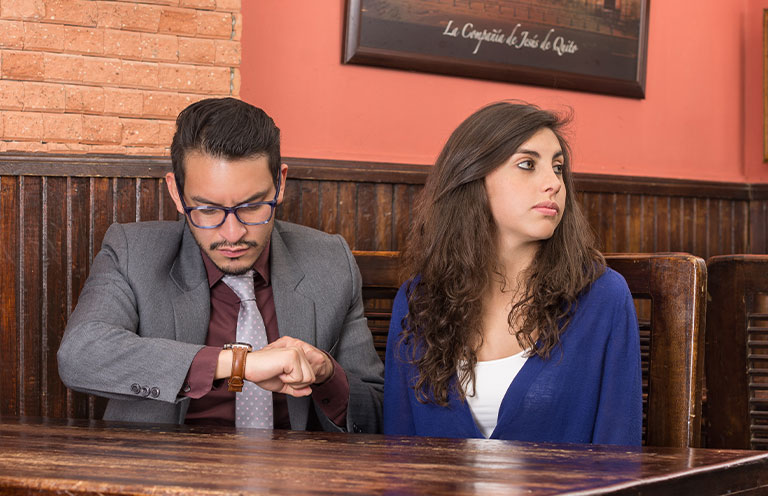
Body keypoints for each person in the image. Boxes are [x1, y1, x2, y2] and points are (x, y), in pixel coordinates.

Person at [58, 98, 383, 433]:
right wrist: (239, 364)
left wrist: (327, 373)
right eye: (208, 210)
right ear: (177, 192)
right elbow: (81, 354)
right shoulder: (132, 252)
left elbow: (375, 411)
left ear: (281, 183)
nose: (233, 234)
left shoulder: (330, 261)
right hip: (161, 478)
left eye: (254, 206)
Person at [383, 102, 642, 445]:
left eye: (558, 168)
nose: (553, 184)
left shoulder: (603, 297)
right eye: (527, 164)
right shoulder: (419, 301)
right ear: (472, 176)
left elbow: (619, 453)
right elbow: (398, 452)